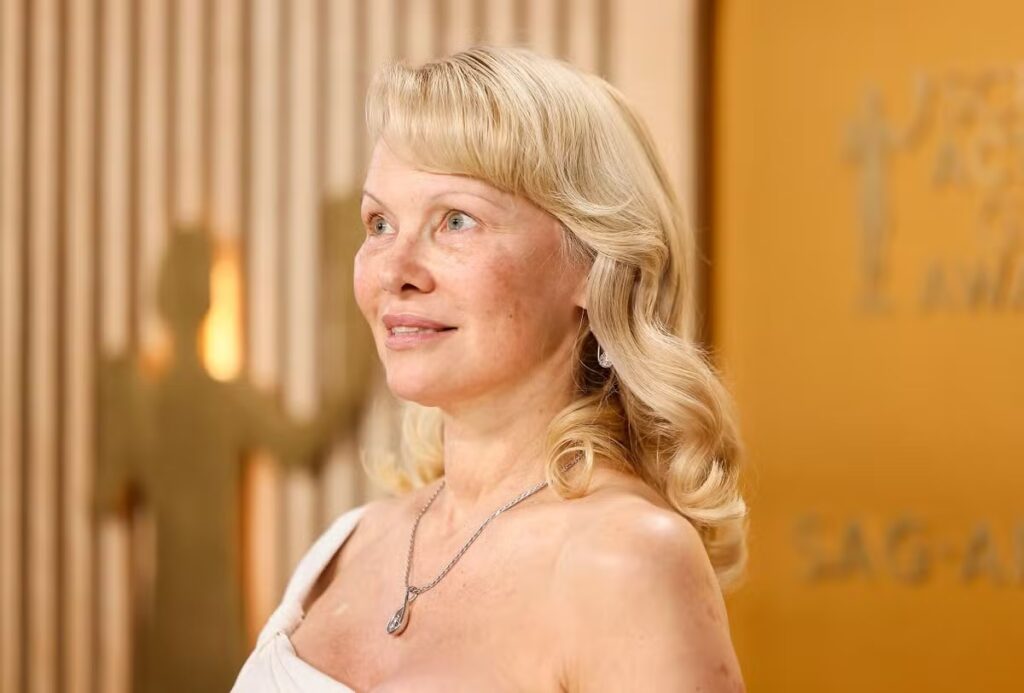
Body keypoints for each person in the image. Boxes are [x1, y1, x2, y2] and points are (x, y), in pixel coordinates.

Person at [232, 44, 748, 692]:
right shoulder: (346, 544)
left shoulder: (627, 560)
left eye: (456, 221)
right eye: (379, 223)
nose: (394, 271)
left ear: (595, 265)